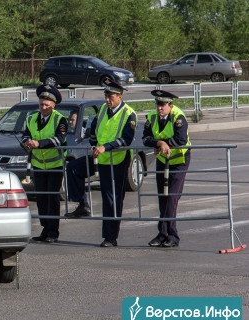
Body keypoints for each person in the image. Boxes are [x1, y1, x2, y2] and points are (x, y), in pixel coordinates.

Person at [79, 78, 137, 247]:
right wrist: (94, 143)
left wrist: (106, 147)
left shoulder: (129, 113)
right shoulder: (104, 109)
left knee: (114, 199)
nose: (107, 99)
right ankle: (82, 204)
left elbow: (126, 139)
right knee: (75, 169)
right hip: (102, 159)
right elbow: (95, 129)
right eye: (106, 95)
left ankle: (111, 237)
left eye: (110, 96)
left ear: (119, 96)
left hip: (118, 160)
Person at [142, 90, 191, 248]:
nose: (159, 108)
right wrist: (158, 144)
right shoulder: (151, 117)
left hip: (179, 160)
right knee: (163, 197)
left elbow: (181, 139)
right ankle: (162, 234)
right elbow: (145, 138)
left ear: (171, 105)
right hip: (163, 161)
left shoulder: (178, 117)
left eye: (163, 104)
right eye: (157, 104)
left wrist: (163, 143)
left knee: (172, 197)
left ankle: (173, 235)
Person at [23, 84, 68, 244]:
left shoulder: (60, 119)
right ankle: (44, 229)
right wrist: (27, 142)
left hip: (55, 166)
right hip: (38, 165)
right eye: (41, 104)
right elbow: (25, 135)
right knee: (41, 199)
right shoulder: (31, 118)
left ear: (53, 105)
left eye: (47, 105)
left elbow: (59, 139)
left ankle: (53, 232)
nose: (43, 107)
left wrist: (39, 143)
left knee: (52, 199)